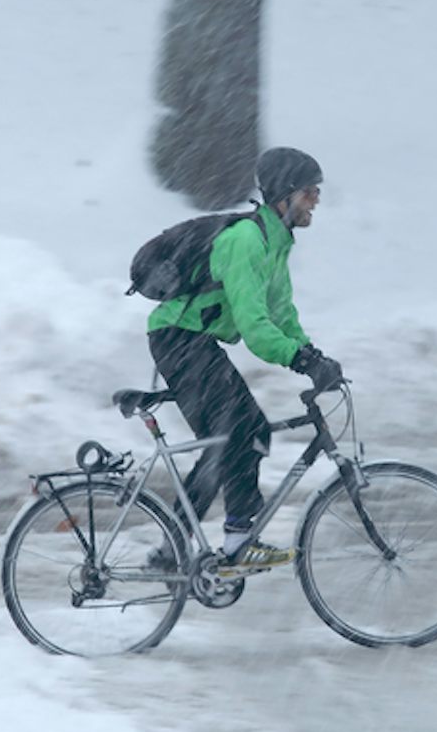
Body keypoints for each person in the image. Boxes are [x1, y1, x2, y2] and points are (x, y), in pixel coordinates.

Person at [146, 146, 345, 568]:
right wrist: (301, 361)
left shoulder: (275, 243)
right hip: (178, 339)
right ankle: (226, 543)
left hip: (194, 341)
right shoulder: (246, 242)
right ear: (285, 196)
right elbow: (254, 327)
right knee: (238, 430)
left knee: (235, 436)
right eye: (309, 192)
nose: (316, 200)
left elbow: (281, 314)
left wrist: (311, 353)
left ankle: (182, 548)